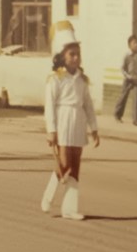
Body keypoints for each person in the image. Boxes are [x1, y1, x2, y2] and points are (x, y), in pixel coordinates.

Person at [41, 20, 100, 221]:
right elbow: (50, 105)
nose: (75, 58)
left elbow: (88, 105)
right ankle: (48, 197)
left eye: (77, 54)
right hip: (63, 121)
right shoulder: (56, 78)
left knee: (75, 166)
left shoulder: (82, 79)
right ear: (62, 57)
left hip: (78, 123)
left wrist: (94, 129)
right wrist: (51, 130)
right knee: (64, 164)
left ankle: (69, 208)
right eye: (71, 54)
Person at [113, 34, 137, 126]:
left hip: (136, 79)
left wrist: (136, 76)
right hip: (128, 79)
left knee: (136, 99)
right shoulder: (127, 56)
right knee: (123, 97)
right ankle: (117, 115)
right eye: (134, 43)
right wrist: (128, 76)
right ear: (129, 45)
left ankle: (135, 120)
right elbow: (122, 68)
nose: (136, 45)